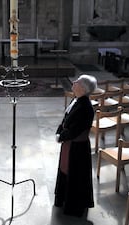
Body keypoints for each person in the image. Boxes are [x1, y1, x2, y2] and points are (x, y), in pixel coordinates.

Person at [54, 74, 97, 217]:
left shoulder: (86, 107)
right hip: (69, 144)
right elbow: (66, 119)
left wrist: (62, 136)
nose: (73, 82)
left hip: (77, 148)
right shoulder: (77, 100)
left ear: (83, 88)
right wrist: (59, 131)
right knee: (65, 170)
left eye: (77, 82)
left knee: (75, 176)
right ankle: (63, 198)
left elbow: (75, 129)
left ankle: (74, 206)